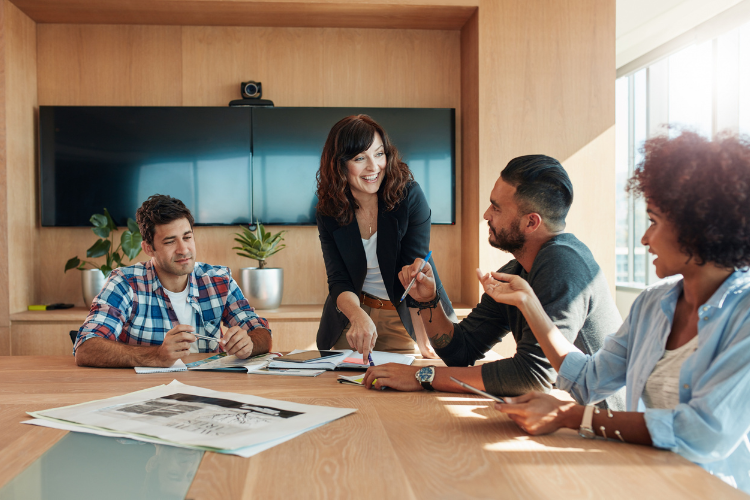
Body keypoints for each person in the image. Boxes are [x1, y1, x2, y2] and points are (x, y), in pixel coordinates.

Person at [488, 132, 750, 494]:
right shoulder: (652, 304)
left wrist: (572, 416)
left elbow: (701, 433)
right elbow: (587, 380)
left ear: (701, 229)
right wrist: (529, 303)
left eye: (654, 221)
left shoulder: (745, 317)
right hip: (646, 478)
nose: (645, 239)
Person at [364, 155, 625, 410]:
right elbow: (460, 351)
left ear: (531, 222)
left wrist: (422, 376)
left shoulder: (562, 264)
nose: (486, 214)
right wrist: (428, 300)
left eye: (496, 207)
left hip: (602, 433)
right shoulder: (518, 270)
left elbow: (532, 376)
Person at [316, 114, 457, 362]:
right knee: (338, 390)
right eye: (360, 158)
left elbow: (414, 274)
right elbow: (338, 279)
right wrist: (357, 316)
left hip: (403, 315)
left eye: (379, 154)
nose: (374, 167)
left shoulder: (408, 197)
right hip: (353, 315)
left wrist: (426, 338)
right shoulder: (329, 210)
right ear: (339, 165)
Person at [74, 195, 272, 367]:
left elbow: (261, 332)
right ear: (148, 248)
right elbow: (86, 347)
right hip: (144, 394)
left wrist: (250, 344)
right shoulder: (125, 282)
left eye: (187, 237)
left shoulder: (219, 280)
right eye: (170, 241)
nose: (183, 249)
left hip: (211, 389)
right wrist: (156, 356)